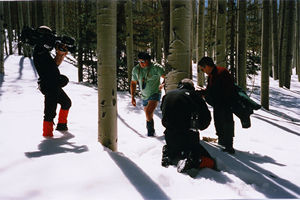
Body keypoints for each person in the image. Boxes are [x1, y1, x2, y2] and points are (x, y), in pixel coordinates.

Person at [160, 78, 215, 173]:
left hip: (169, 135)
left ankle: (168, 154)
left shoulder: (167, 95)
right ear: (191, 88)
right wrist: (200, 126)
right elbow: (206, 118)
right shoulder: (195, 96)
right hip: (188, 137)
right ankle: (192, 160)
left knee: (175, 146)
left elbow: (163, 111)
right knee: (210, 161)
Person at [33, 26, 71, 137]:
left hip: (53, 84)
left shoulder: (44, 52)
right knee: (49, 113)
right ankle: (47, 135)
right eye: (48, 36)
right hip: (49, 85)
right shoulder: (39, 50)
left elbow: (53, 66)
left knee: (66, 103)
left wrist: (60, 54)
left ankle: (62, 126)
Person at [197, 56, 235, 154]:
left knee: (226, 123)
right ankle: (222, 143)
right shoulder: (212, 75)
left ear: (207, 66)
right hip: (218, 104)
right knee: (218, 123)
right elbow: (211, 89)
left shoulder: (221, 72)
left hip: (225, 104)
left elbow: (220, 90)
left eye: (202, 68)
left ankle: (229, 146)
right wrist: (203, 93)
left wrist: (206, 94)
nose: (203, 71)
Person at [130, 52, 165, 136]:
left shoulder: (156, 67)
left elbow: (166, 76)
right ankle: (152, 131)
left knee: (148, 112)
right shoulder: (136, 69)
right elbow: (133, 83)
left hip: (155, 93)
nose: (141, 64)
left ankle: (150, 134)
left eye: (143, 62)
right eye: (139, 62)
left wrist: (163, 84)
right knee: (148, 115)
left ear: (148, 60)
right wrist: (132, 97)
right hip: (144, 95)